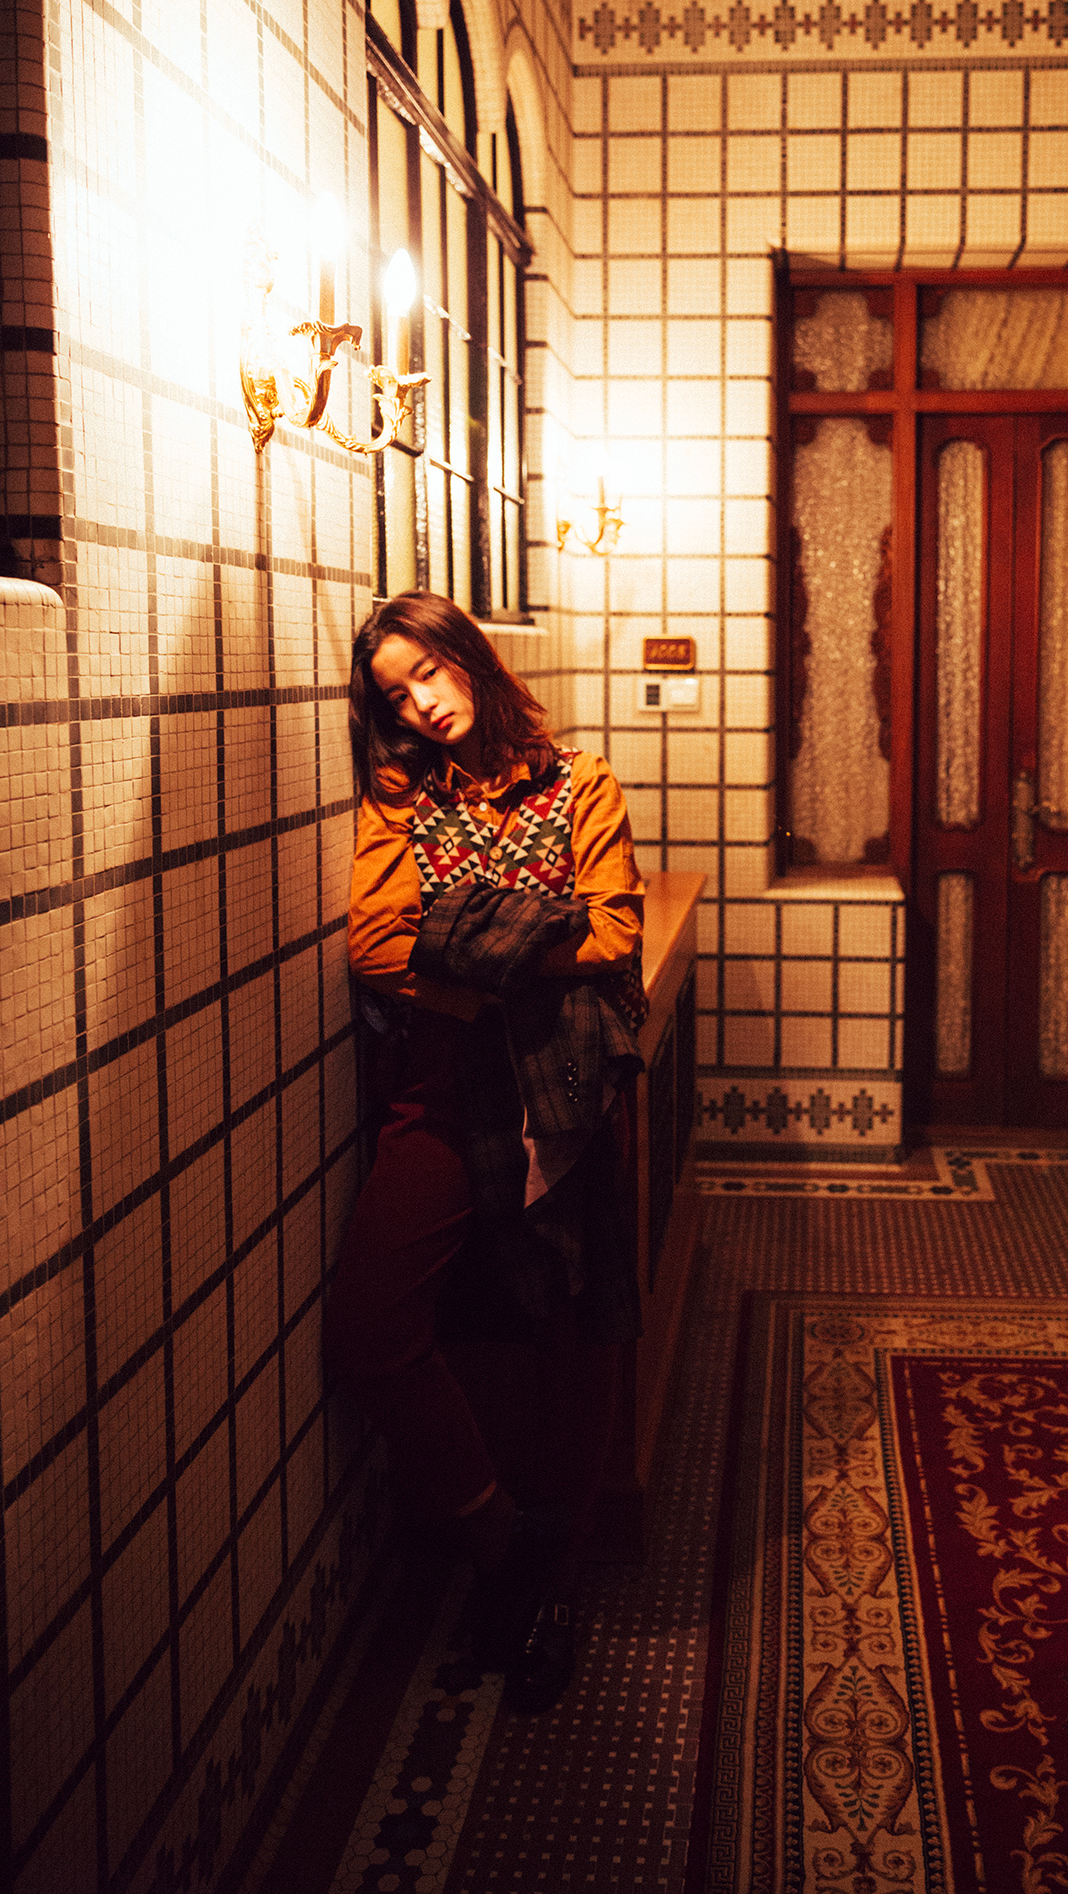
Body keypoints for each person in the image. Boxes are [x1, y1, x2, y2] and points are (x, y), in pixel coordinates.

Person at [325, 590, 646, 1712]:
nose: (419, 704)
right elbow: (374, 949)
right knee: (370, 1329)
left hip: (562, 1082)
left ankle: (552, 1587)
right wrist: (527, 934)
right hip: (442, 1086)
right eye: (395, 695)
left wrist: (460, 935)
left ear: (468, 656)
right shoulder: (402, 799)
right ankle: (501, 1534)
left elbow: (614, 930)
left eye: (428, 672)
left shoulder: (580, 783)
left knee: (577, 1325)